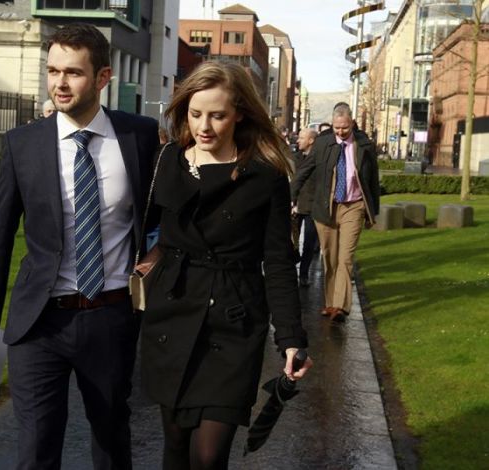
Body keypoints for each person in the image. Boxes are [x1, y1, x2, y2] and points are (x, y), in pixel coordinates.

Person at [0, 23, 159, 470]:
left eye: (73, 72)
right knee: (36, 447)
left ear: (103, 77)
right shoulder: (23, 144)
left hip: (110, 317)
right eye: (52, 71)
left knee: (111, 438)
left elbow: (159, 218)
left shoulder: (139, 137)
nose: (60, 83)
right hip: (39, 322)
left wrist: (154, 263)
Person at [139, 61, 312, 469]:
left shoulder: (263, 177)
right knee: (176, 448)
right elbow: (138, 228)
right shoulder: (168, 161)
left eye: (217, 115)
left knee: (208, 456)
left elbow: (279, 262)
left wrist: (290, 338)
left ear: (239, 114)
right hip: (174, 312)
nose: (204, 126)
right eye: (196, 114)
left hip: (232, 323)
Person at [291, 103, 380, 322]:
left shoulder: (364, 144)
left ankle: (340, 306)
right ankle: (330, 302)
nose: (340, 132)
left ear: (352, 123)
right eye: (337, 128)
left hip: (353, 206)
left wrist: (373, 212)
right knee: (329, 258)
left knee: (345, 257)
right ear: (332, 124)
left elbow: (373, 180)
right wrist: (291, 196)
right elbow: (304, 171)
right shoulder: (323, 143)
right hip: (326, 208)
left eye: (345, 128)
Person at [291, 127, 320, 287]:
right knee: (291, 242)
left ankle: (303, 274)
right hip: (295, 206)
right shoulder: (295, 158)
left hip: (312, 207)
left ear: (311, 140)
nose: (298, 140)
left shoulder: (319, 160)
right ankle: (291, 270)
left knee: (309, 243)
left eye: (302, 138)